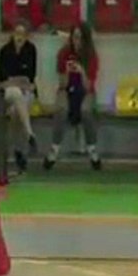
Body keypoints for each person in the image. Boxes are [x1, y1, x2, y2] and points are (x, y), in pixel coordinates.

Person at [47, 23, 100, 171]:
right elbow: (62, 83)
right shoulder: (64, 53)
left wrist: (81, 71)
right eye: (75, 37)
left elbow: (88, 86)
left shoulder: (91, 56)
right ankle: (54, 149)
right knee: (61, 109)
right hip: (66, 89)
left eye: (80, 38)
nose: (77, 42)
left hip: (86, 91)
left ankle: (92, 149)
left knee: (86, 111)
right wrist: (67, 72)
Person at [0, 22, 38, 173]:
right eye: (17, 33)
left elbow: (30, 79)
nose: (19, 37)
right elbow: (2, 81)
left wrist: (14, 80)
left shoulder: (31, 50)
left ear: (27, 36)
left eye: (22, 34)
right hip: (7, 94)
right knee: (15, 92)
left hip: (26, 94)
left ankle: (17, 152)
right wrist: (18, 82)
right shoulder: (5, 51)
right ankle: (29, 134)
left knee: (15, 112)